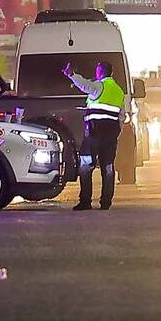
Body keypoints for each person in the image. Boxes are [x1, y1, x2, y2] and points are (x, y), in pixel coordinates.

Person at [63, 60, 129, 211]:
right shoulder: (119, 91)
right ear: (111, 73)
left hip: (94, 133)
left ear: (100, 72)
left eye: (97, 70)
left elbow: (85, 85)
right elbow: (122, 116)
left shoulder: (100, 86)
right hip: (110, 135)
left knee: (86, 166)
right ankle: (106, 202)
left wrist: (71, 74)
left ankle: (85, 201)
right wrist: (116, 133)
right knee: (108, 167)